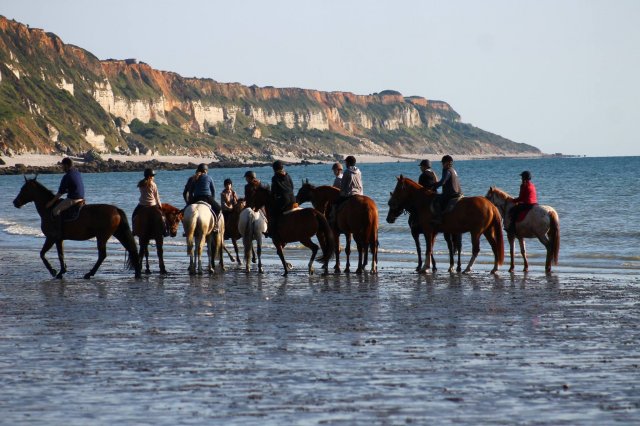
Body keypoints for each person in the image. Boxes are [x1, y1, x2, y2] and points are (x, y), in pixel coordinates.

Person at [45, 157, 85, 239]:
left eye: (62, 166)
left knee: (55, 211)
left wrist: (51, 202)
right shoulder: (77, 172)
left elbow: (60, 193)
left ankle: (58, 233)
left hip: (73, 199)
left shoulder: (67, 176)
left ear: (66, 165)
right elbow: (74, 186)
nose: (62, 168)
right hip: (81, 198)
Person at [132, 168, 167, 236]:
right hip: (152, 205)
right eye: (153, 176)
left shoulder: (141, 184)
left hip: (142, 205)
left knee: (134, 215)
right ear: (150, 176)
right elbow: (156, 196)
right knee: (163, 217)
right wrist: (160, 205)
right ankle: (165, 231)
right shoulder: (153, 184)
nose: (154, 177)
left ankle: (134, 230)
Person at [330, 155, 363, 226]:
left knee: (335, 204)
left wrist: (341, 193)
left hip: (350, 194)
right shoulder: (359, 171)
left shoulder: (347, 172)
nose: (345, 164)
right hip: (360, 193)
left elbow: (343, 186)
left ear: (348, 163)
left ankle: (334, 221)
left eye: (346, 162)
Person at [267, 160, 295, 238]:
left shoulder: (275, 178)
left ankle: (273, 232)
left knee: (273, 213)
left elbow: (273, 191)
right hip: (293, 199)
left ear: (274, 169)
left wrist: (273, 198)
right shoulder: (288, 175)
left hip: (284, 200)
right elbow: (292, 187)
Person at [431, 155, 462, 224]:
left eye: (443, 163)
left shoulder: (446, 170)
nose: (442, 164)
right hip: (459, 192)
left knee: (436, 201)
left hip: (451, 194)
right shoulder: (453, 170)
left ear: (446, 163)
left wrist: (434, 186)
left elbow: (443, 182)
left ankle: (439, 218)